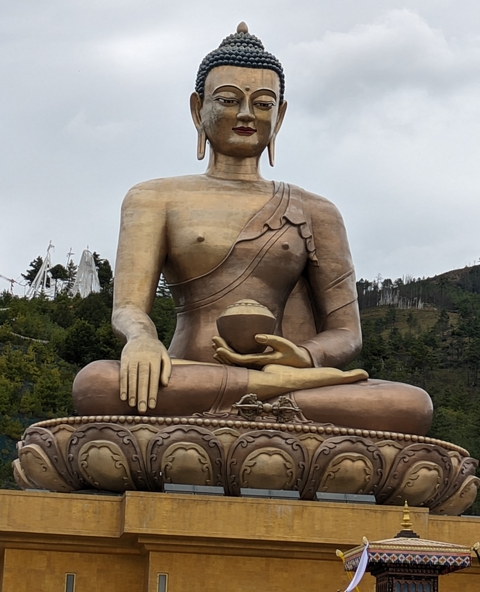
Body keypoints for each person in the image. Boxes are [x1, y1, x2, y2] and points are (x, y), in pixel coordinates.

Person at [73, 23, 433, 434]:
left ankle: (266, 391)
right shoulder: (155, 197)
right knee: (98, 383)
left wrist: (305, 358)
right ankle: (264, 392)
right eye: (228, 100)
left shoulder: (317, 210)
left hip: (288, 383)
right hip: (186, 373)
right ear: (198, 108)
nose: (246, 114)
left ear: (279, 115)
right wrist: (141, 339)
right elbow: (129, 307)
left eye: (263, 103)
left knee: (410, 405)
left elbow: (346, 333)